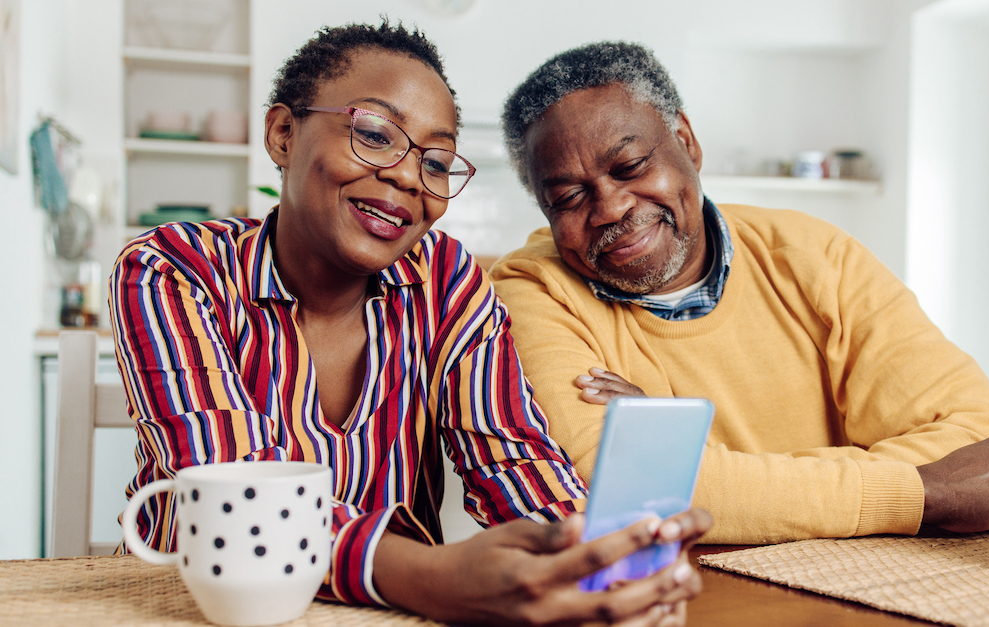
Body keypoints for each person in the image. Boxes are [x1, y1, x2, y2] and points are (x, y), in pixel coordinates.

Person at [110, 23, 709, 625]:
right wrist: (431, 576)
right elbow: (244, 509)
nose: (406, 176)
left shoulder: (446, 281)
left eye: (437, 161)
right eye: (373, 133)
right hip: (191, 607)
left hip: (384, 613)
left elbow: (513, 461)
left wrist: (589, 560)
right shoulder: (172, 270)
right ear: (283, 133)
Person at [492, 41, 989, 545]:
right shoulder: (531, 291)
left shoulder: (815, 254)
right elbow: (614, 492)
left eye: (630, 167)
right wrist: (923, 492)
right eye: (568, 196)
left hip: (877, 579)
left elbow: (988, 447)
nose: (608, 208)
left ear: (686, 141)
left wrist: (691, 459)